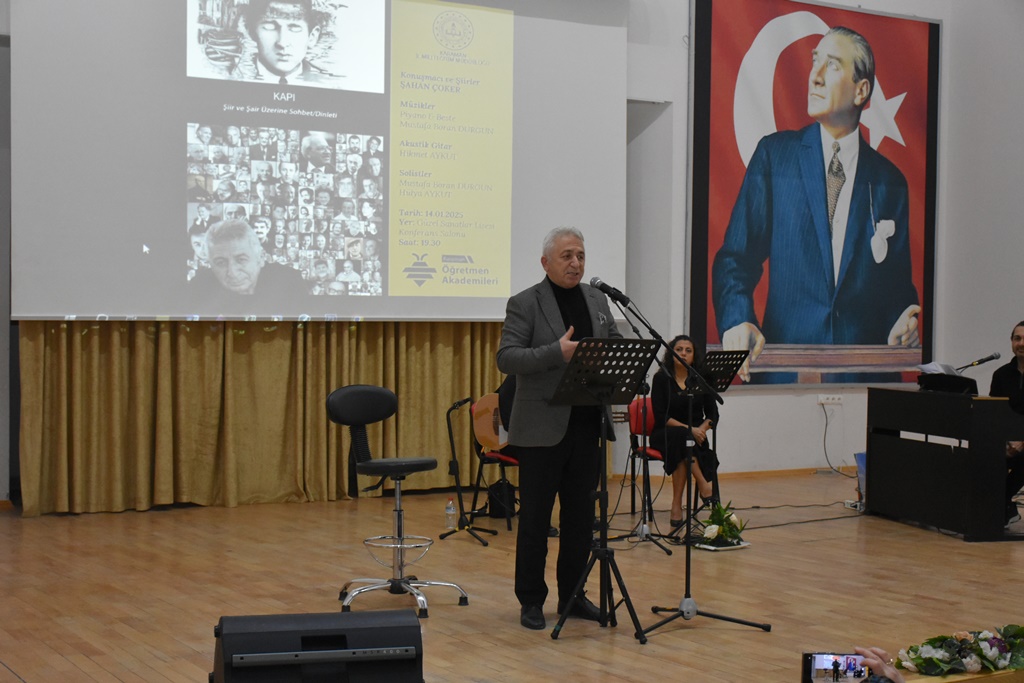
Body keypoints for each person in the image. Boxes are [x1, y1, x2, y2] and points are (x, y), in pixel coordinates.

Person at [712, 26, 920, 384]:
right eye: (814, 61)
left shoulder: (890, 180)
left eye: (833, 65)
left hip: (865, 383)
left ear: (861, 90)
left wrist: (902, 319)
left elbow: (896, 287)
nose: (815, 76)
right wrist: (737, 320)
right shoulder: (775, 157)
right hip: (785, 379)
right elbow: (735, 260)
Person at [496, 226, 620, 631]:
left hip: (587, 425)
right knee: (535, 519)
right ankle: (531, 600)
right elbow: (507, 357)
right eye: (567, 256)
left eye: (580, 255)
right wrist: (556, 352)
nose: (576, 263)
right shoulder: (525, 303)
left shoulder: (597, 300)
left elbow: (613, 341)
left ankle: (573, 595)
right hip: (541, 429)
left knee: (580, 521)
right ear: (546, 262)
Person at [650, 334, 720, 527]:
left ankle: (676, 505)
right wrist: (691, 430)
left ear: (694, 355)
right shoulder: (661, 378)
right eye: (679, 349)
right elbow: (661, 416)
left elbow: (713, 413)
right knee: (683, 438)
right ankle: (703, 484)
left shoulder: (700, 379)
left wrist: (702, 429)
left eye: (688, 350)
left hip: (696, 436)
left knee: (683, 446)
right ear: (671, 353)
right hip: (665, 433)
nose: (683, 353)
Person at [191, 219, 307, 298]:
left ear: (261, 258)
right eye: (221, 262)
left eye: (241, 260)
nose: (232, 272)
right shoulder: (199, 287)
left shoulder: (290, 281)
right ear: (210, 264)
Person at [242, 0, 329, 85]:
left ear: (312, 36)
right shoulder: (236, 78)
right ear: (251, 32)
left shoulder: (327, 83)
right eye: (270, 27)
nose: (282, 43)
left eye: (295, 29)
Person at [989, 320, 1024, 526]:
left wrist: (1022, 442)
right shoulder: (1001, 375)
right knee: (986, 454)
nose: (1021, 343)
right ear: (1011, 342)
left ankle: (1001, 504)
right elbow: (994, 414)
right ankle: (1003, 508)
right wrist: (1005, 443)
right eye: (1017, 338)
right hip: (1006, 441)